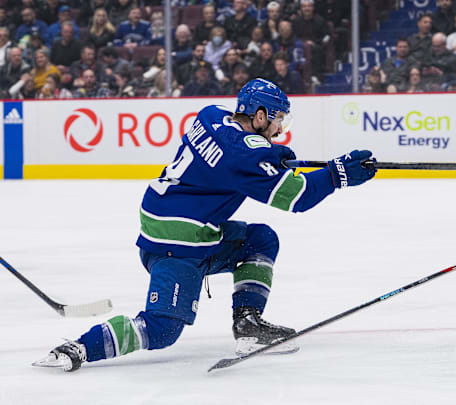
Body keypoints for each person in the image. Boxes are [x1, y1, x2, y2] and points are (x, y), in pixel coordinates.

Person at [33, 78, 378, 372]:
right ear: (259, 115)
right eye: (277, 121)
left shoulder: (211, 115)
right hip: (179, 241)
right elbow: (296, 197)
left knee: (259, 238)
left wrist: (271, 154)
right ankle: (77, 348)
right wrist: (337, 175)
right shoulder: (246, 156)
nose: (280, 129)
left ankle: (248, 324)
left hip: (165, 221)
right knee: (162, 329)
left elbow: (237, 152)